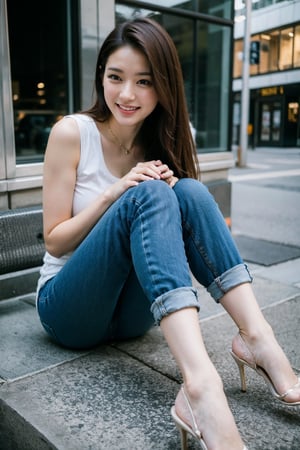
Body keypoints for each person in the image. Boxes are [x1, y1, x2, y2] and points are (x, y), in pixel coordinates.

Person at [36, 17, 300, 450]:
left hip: (133, 317)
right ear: (100, 75)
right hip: (69, 309)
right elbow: (54, 240)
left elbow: (181, 234)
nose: (126, 94)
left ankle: (257, 338)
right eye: (115, 77)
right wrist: (116, 193)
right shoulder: (72, 133)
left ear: (163, 87)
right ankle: (201, 387)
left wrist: (164, 191)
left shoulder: (165, 138)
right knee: (147, 194)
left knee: (189, 190)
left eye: (144, 82)